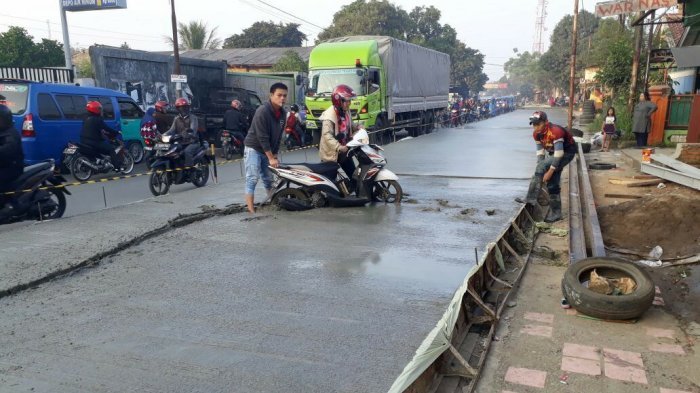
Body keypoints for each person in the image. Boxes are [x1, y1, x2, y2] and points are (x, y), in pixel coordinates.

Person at [516, 111, 577, 223]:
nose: (536, 127)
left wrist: (549, 171)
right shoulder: (537, 133)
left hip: (567, 153)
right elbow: (540, 152)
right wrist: (542, 167)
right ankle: (556, 213)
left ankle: (531, 198)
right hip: (553, 152)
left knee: (546, 169)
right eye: (534, 125)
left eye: (538, 124)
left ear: (545, 122)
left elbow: (559, 154)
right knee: (552, 183)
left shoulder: (555, 131)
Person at [243, 82, 288, 213]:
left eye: (285, 96)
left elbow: (279, 136)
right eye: (279, 95)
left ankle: (274, 203)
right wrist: (271, 158)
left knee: (269, 180)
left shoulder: (283, 113)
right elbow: (262, 137)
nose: (282, 98)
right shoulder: (262, 111)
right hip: (254, 148)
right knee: (252, 178)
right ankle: (251, 211)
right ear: (271, 95)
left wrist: (274, 154)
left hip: (267, 151)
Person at [319, 84, 357, 189]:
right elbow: (327, 135)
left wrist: (357, 127)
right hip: (331, 154)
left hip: (344, 151)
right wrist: (339, 147)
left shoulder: (346, 111)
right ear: (338, 100)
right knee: (330, 184)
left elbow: (350, 125)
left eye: (350, 101)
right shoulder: (329, 115)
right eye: (347, 101)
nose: (349, 103)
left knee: (354, 176)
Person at [80, 100, 122, 168]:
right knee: (111, 149)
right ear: (95, 109)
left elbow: (94, 128)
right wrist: (116, 132)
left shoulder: (85, 117)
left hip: (83, 141)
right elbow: (106, 128)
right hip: (94, 142)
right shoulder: (97, 119)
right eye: (99, 108)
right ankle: (117, 167)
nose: (100, 110)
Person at [165, 98, 201, 167]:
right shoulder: (176, 118)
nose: (183, 109)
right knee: (172, 150)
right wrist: (163, 135)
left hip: (192, 142)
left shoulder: (193, 117)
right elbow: (171, 130)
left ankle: (190, 170)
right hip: (180, 142)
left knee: (187, 152)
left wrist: (188, 134)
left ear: (188, 107)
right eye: (181, 107)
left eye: (185, 107)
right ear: (178, 109)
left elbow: (193, 130)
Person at [0, 104, 24, 202]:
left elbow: (8, 149)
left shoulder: (11, 133)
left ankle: (11, 206)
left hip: (12, 167)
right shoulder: (2, 131)